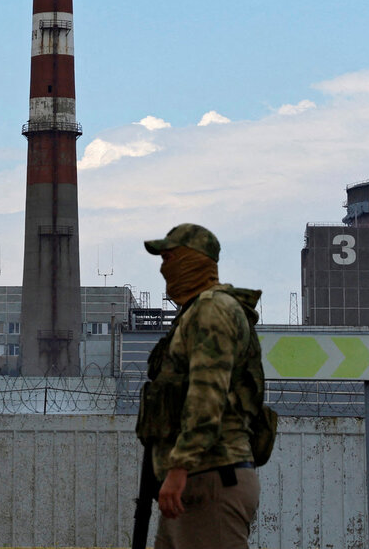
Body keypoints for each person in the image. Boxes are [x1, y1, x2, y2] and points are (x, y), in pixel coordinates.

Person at [135, 223, 270, 549]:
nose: (163, 268)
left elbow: (207, 395)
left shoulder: (212, 310)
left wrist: (180, 467)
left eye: (169, 258)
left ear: (191, 260)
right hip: (197, 481)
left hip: (210, 478)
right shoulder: (196, 311)